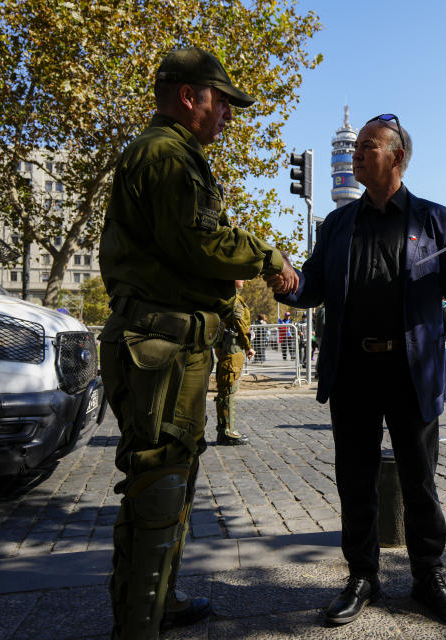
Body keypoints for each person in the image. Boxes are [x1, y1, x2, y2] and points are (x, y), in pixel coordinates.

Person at [97, 46, 298, 640]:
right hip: (160, 343)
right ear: (190, 97)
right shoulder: (166, 154)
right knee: (158, 483)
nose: (228, 115)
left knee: (166, 478)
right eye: (222, 102)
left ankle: (157, 601)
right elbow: (200, 241)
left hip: (166, 343)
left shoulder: (165, 153)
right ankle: (139, 624)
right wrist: (267, 255)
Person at [274, 113, 446, 627]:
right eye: (355, 147)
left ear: (398, 158)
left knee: (420, 480)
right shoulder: (337, 223)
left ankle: (428, 578)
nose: (356, 154)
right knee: (355, 479)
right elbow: (313, 287)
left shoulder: (434, 220)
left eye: (368, 146)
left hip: (413, 370)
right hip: (354, 371)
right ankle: (362, 576)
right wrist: (284, 281)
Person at [213, 280, 254, 446]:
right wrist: (248, 347)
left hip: (228, 349)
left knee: (226, 391)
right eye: (240, 276)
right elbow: (241, 325)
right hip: (232, 350)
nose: (243, 280)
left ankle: (225, 430)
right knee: (229, 391)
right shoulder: (234, 301)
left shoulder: (225, 298)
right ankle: (227, 432)